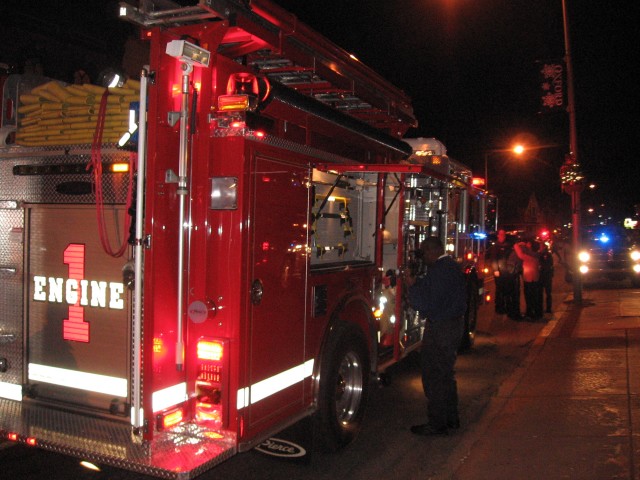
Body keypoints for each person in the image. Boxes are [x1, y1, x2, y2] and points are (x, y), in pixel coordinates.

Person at [403, 237, 467, 436]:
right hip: (453, 325)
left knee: (434, 376)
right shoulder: (452, 267)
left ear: (432, 252)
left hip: (441, 329)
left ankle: (437, 423)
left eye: (424, 253)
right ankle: (451, 417)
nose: (424, 259)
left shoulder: (439, 271)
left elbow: (427, 302)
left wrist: (412, 286)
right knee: (446, 374)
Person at [486, 229, 522, 320]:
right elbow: (493, 259)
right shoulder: (496, 246)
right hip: (500, 271)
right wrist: (495, 270)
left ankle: (507, 307)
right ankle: (499, 307)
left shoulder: (507, 245)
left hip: (507, 271)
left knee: (508, 289)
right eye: (501, 234)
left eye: (504, 234)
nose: (503, 236)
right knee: (500, 290)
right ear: (498, 235)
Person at [514, 239, 543, 321]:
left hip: (529, 279)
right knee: (535, 297)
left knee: (530, 297)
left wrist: (516, 244)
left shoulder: (529, 257)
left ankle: (531, 314)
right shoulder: (537, 255)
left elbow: (520, 254)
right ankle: (536, 313)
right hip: (536, 278)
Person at [539, 243, 554, 313]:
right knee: (546, 293)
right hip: (545, 276)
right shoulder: (545, 254)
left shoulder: (545, 255)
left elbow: (549, 265)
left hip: (544, 276)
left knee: (544, 293)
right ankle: (547, 308)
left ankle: (545, 308)